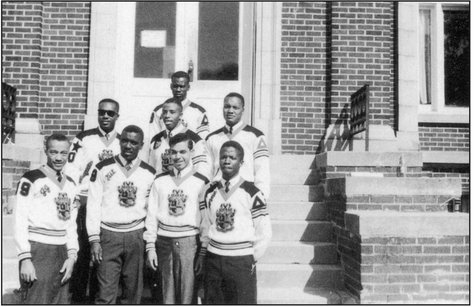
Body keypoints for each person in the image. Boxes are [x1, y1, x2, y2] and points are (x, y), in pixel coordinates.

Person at [86, 125, 155, 304]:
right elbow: (93, 205)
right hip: (109, 235)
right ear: (120, 141)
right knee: (105, 293)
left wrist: (149, 241)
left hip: (136, 235)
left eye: (134, 142)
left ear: (141, 145)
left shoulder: (149, 173)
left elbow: (152, 210)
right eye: (124, 140)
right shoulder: (102, 168)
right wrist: (94, 239)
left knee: (132, 293)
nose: (128, 146)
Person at [196, 140, 272, 304]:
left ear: (242, 162)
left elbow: (264, 232)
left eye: (232, 157)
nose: (227, 161)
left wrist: (250, 258)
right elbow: (207, 225)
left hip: (241, 261)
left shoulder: (252, 192)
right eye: (223, 157)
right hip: (214, 258)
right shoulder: (209, 192)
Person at [64, 98, 121, 303]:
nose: (105, 116)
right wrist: (75, 197)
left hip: (107, 205)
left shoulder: (122, 142)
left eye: (110, 113)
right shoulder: (84, 138)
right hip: (85, 201)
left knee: (102, 257)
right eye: (102, 112)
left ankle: (97, 298)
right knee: (82, 253)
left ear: (117, 116)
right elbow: (71, 170)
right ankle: (78, 298)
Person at [14, 134, 79, 304]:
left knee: (60, 300)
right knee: (37, 300)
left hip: (62, 250)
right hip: (39, 249)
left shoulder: (71, 184)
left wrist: (72, 256)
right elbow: (19, 219)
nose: (59, 158)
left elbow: (71, 223)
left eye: (63, 153)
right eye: (53, 152)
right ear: (46, 151)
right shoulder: (32, 178)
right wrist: (25, 258)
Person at [144, 133, 209, 304]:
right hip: (164, 242)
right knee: (166, 295)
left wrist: (202, 251)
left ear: (191, 152)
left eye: (182, 152)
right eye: (173, 152)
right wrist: (150, 246)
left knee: (188, 295)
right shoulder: (160, 180)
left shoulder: (201, 182)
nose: (177, 157)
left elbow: (205, 221)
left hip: (190, 243)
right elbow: (151, 216)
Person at [206, 92, 270, 197]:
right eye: (227, 107)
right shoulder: (212, 138)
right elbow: (207, 171)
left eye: (235, 107)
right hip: (218, 193)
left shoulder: (255, 136)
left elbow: (262, 171)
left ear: (242, 110)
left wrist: (261, 198)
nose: (230, 111)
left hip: (245, 192)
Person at [149, 97, 210, 179]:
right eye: (164, 112)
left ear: (180, 115)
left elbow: (202, 173)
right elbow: (151, 171)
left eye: (172, 112)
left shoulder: (195, 140)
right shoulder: (156, 140)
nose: (167, 116)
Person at [149, 71, 209, 139]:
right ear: (171, 86)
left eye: (182, 86)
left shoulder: (199, 112)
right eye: (175, 86)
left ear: (188, 87)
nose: (178, 89)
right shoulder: (158, 111)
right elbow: (153, 139)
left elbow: (203, 140)